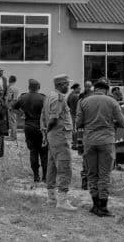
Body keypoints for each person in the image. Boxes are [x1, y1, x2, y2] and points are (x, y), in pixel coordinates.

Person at [76, 77, 124, 216]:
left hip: (89, 141)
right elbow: (122, 123)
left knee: (92, 173)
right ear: (106, 89)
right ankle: (103, 207)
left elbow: (78, 123)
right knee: (104, 175)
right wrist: (111, 122)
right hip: (106, 141)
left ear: (95, 89)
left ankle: (95, 205)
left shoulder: (84, 101)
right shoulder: (112, 101)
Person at [41, 74, 77, 211]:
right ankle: (62, 200)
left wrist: (46, 132)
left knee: (52, 166)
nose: (68, 87)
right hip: (60, 135)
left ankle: (51, 198)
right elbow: (53, 119)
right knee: (64, 166)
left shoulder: (49, 96)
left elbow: (43, 117)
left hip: (53, 136)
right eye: (67, 84)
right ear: (61, 85)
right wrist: (48, 130)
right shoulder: (58, 98)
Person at [14, 79, 48, 183]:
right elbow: (47, 113)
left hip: (28, 126)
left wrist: (22, 114)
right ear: (39, 87)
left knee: (33, 151)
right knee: (44, 152)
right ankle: (45, 177)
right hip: (41, 127)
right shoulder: (43, 98)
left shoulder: (23, 97)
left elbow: (13, 108)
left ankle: (36, 176)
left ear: (29, 87)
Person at [6, 75, 20, 140]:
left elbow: (9, 98)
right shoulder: (16, 88)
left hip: (11, 105)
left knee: (12, 121)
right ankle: (13, 135)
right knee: (14, 120)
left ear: (10, 80)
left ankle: (13, 136)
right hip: (15, 104)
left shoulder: (10, 88)